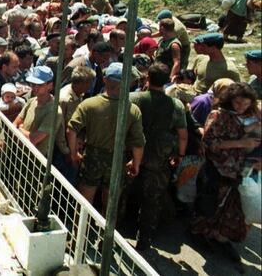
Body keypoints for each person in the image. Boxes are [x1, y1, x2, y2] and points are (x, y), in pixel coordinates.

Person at [191, 83, 260, 262]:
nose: (241, 107)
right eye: (238, 103)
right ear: (230, 100)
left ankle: (219, 236)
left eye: (245, 104)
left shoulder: (246, 116)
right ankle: (198, 233)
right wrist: (240, 144)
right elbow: (208, 143)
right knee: (209, 205)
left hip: (237, 170)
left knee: (230, 207)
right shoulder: (218, 115)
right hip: (217, 168)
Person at [126, 63, 188, 250]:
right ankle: (144, 239)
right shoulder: (175, 105)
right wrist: (180, 155)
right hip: (159, 158)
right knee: (153, 199)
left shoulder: (134, 98)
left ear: (148, 79)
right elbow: (182, 134)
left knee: (123, 193)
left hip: (131, 154)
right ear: (168, 80)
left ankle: (116, 231)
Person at [67, 63, 145, 210]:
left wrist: (73, 153)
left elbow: (72, 129)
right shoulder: (132, 110)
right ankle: (105, 231)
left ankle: (81, 230)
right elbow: (138, 142)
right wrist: (136, 163)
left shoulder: (89, 104)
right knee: (110, 204)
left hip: (92, 156)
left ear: (105, 80)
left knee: (85, 202)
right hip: (117, 158)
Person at [14, 66, 62, 156]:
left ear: (50, 86)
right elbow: (14, 125)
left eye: (39, 85)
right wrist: (19, 129)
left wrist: (19, 129)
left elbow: (32, 139)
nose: (35, 88)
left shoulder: (54, 111)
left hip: (36, 162)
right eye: (33, 84)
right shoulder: (31, 101)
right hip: (18, 155)